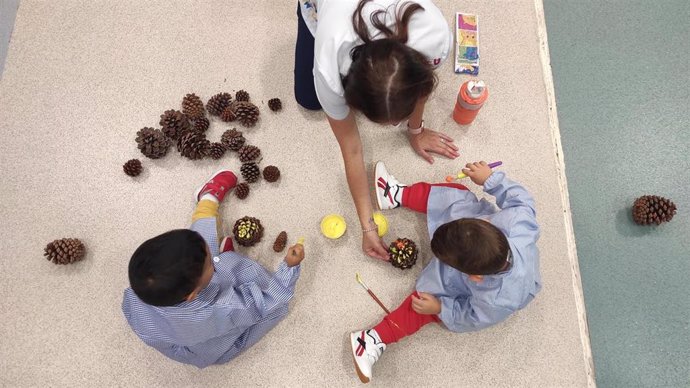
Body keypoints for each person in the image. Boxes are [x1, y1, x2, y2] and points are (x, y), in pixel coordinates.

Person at [295, 0, 460, 260]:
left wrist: (416, 130)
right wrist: (367, 224)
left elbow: (422, 87)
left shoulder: (434, 36)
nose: (395, 125)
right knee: (308, 99)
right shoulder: (330, 66)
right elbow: (351, 148)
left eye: (399, 119)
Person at [349, 161, 541, 383]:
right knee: (457, 195)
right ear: (487, 224)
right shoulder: (518, 221)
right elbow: (521, 198)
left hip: (475, 285)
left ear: (473, 277)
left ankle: (372, 339)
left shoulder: (496, 300)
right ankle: (395, 194)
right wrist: (490, 179)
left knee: (424, 304)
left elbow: (471, 317)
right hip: (475, 238)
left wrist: (441, 307)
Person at [122, 170, 305, 368]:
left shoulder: (139, 291)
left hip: (172, 334)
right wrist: (289, 267)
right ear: (192, 294)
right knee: (276, 309)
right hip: (208, 347)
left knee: (195, 252)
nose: (210, 254)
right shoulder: (221, 310)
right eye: (210, 262)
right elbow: (267, 302)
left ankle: (207, 199)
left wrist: (208, 259)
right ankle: (221, 252)